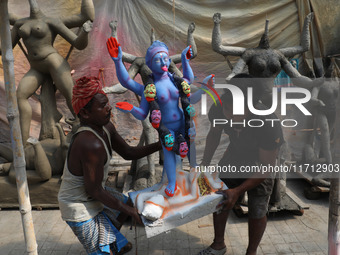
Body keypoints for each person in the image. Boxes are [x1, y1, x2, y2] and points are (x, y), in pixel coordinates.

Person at [58, 76, 162, 255]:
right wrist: (130, 211)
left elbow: (128, 153)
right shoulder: (89, 143)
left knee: (126, 201)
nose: (109, 108)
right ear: (85, 114)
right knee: (102, 249)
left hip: (92, 192)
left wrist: (160, 145)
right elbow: (95, 191)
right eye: (102, 106)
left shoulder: (106, 126)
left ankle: (114, 242)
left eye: (107, 103)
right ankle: (108, 246)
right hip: (78, 204)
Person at [107, 37, 214, 197]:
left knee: (190, 150)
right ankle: (171, 182)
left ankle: (194, 175)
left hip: (183, 122)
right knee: (169, 154)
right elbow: (129, 85)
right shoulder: (149, 89)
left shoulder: (175, 81)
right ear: (150, 64)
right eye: (158, 60)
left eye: (165, 58)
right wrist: (117, 62)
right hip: (167, 128)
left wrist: (201, 83)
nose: (163, 62)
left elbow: (190, 92)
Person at [198, 74, 284, 255]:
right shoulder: (219, 108)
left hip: (260, 162)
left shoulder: (268, 122)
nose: (230, 115)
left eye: (237, 111)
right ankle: (218, 245)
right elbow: (214, 134)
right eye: (228, 109)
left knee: (258, 208)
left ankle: (251, 252)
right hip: (235, 155)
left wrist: (237, 191)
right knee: (220, 198)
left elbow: (266, 166)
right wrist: (204, 165)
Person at [1, 0, 94, 145]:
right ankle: (24, 144)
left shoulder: (52, 21)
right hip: (36, 68)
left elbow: (78, 43)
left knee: (70, 93)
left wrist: (85, 32)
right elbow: (5, 48)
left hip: (54, 62)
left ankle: (86, 131)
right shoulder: (20, 23)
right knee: (21, 95)